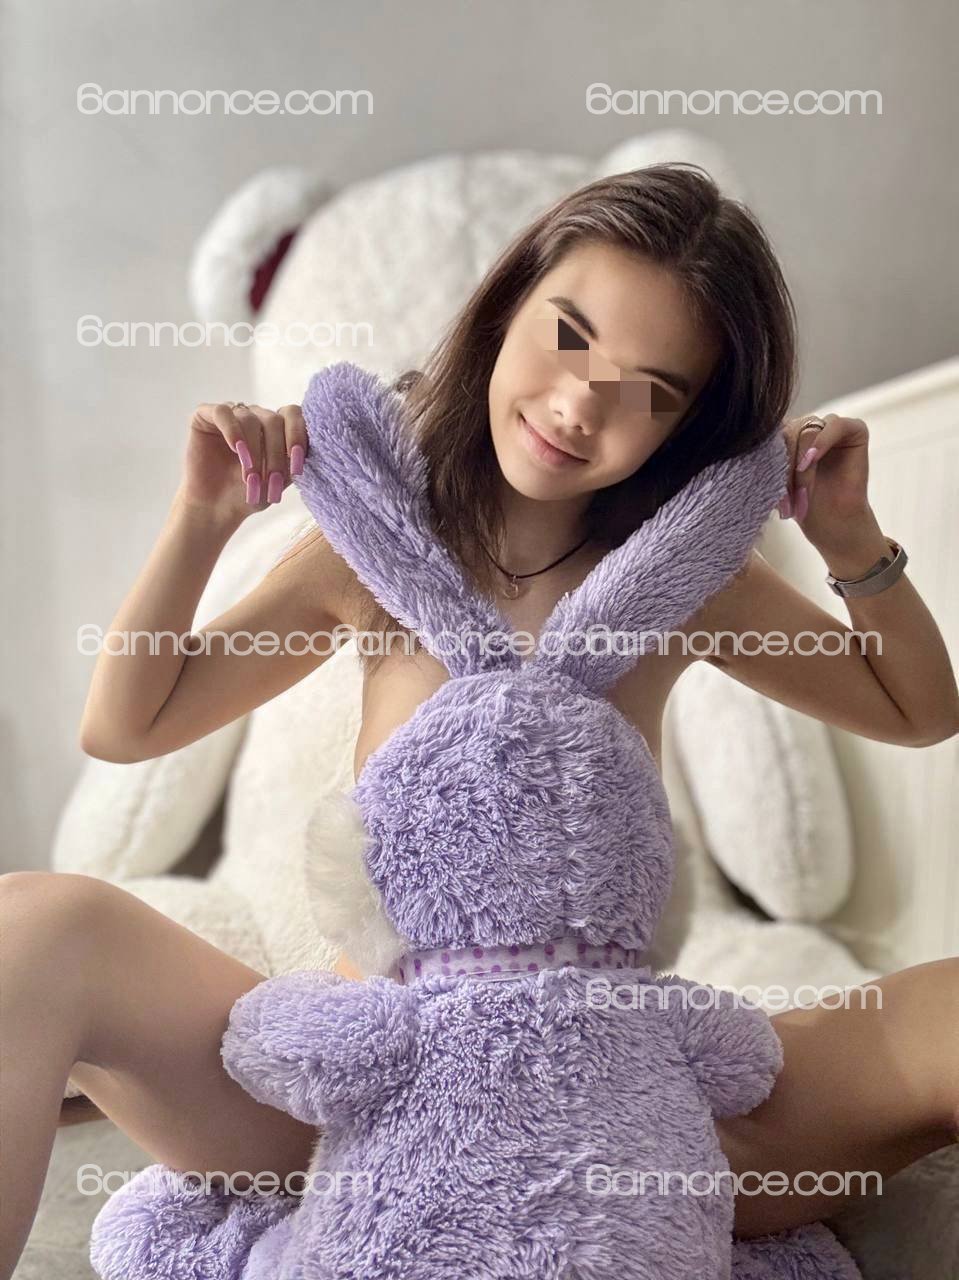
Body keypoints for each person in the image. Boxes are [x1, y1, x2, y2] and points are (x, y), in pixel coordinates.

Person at [2, 164, 957, 1279]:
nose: (579, 406)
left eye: (651, 390)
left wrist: (851, 542)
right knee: (36, 923)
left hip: (610, 1104)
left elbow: (916, 709)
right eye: (567, 335)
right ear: (507, 305)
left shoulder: (681, 574)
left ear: (691, 426)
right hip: (367, 1096)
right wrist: (202, 518)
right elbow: (128, 724)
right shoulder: (378, 546)